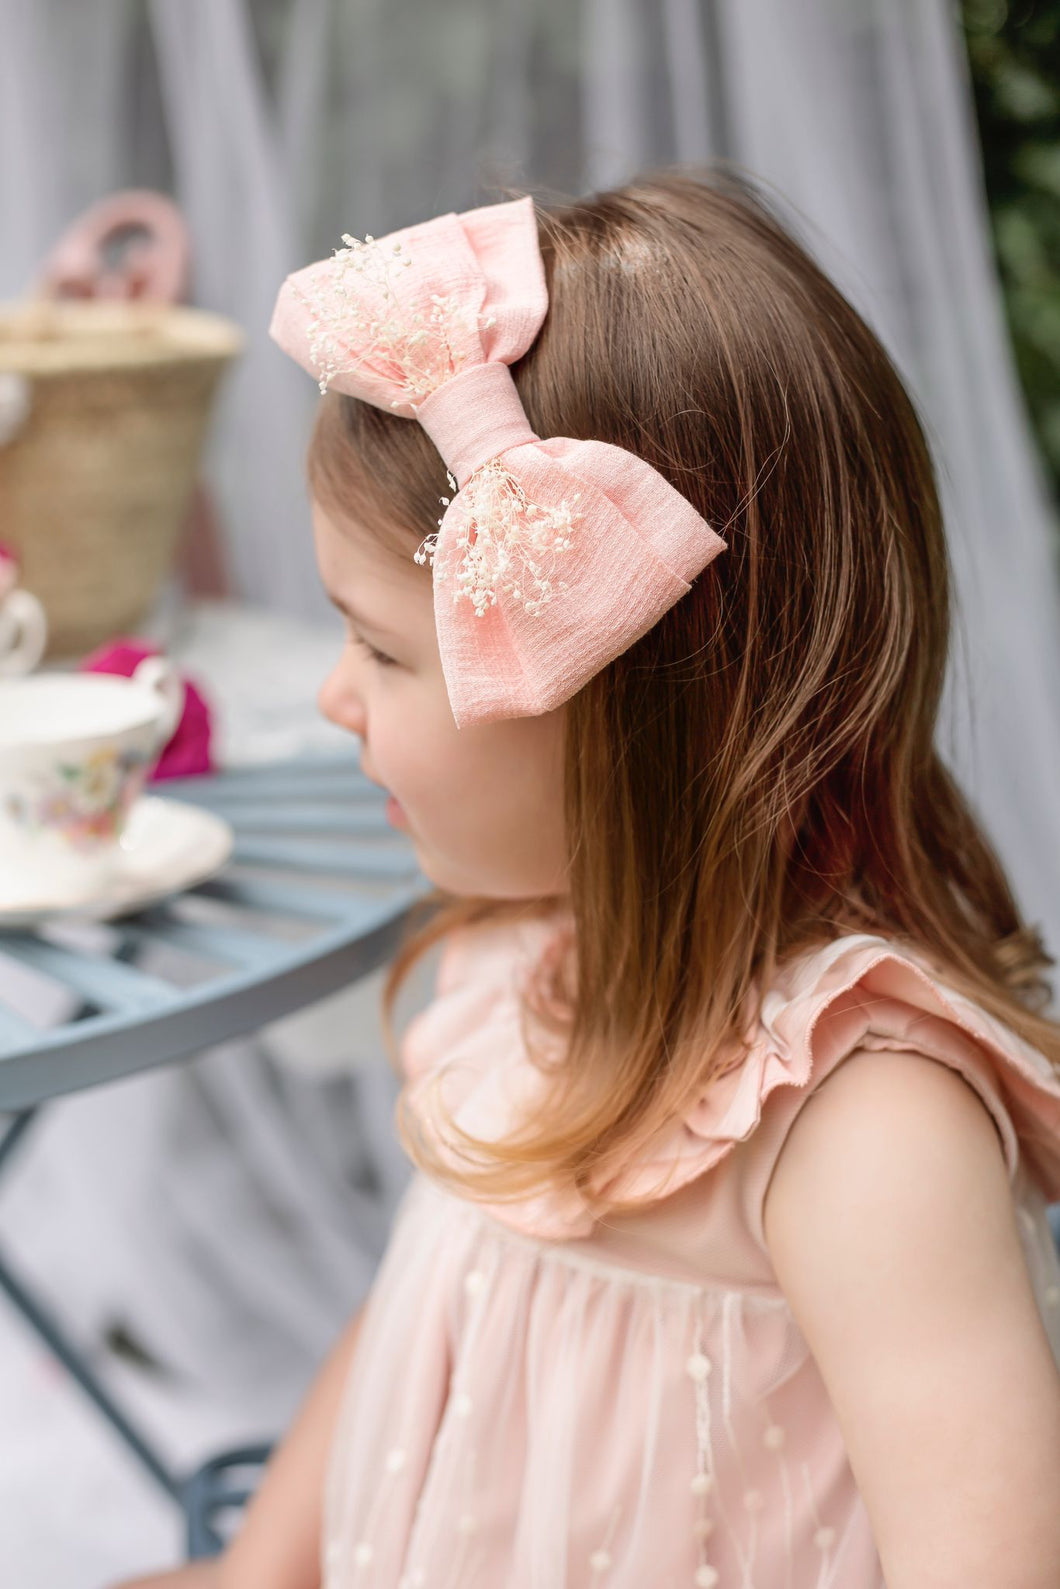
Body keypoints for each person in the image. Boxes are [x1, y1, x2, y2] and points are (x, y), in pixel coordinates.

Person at [114, 169, 1060, 1589]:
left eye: (381, 651)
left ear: (639, 713)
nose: (333, 698)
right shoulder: (520, 963)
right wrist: (261, 1565)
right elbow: (428, 1316)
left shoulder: (859, 1127)